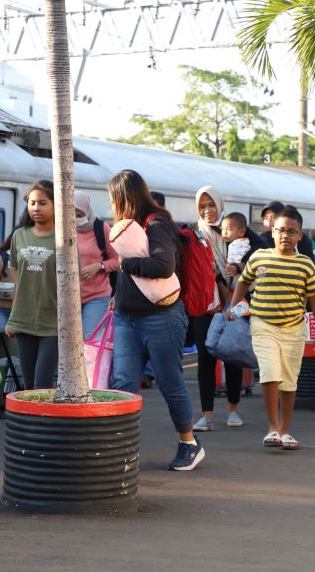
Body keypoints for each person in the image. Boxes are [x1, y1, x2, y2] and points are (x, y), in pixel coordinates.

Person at [107, 169, 204, 471]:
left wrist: (127, 264)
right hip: (127, 316)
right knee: (123, 382)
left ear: (123, 198)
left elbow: (163, 265)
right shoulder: (128, 227)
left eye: (113, 199)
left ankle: (189, 443)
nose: (112, 205)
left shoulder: (157, 223)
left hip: (161, 316)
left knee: (169, 379)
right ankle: (121, 450)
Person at [228, 206, 315, 450]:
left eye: (291, 231)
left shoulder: (305, 265)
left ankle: (286, 430)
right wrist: (233, 307)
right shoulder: (259, 257)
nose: (285, 235)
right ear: (273, 231)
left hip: (294, 328)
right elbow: (243, 282)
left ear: (299, 236)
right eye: (281, 230)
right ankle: (272, 427)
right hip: (263, 325)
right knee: (270, 372)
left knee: (288, 380)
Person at [189, 185, 242, 433]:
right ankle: (206, 415)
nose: (207, 210)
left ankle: (233, 409)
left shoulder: (234, 229)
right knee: (205, 358)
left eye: (211, 205)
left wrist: (238, 268)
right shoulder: (195, 234)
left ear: (220, 205)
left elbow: (258, 251)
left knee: (232, 355)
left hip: (233, 299)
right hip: (204, 303)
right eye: (202, 206)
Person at [6, 180, 59, 391]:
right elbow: (17, 281)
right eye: (32, 203)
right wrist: (12, 318)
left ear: (56, 206)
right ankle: (37, 423)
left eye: (43, 203)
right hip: (24, 320)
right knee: (29, 386)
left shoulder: (64, 238)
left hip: (53, 322)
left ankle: (45, 423)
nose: (36, 208)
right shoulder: (19, 236)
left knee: (42, 383)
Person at [74, 191, 120, 339]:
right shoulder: (61, 229)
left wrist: (99, 266)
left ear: (87, 211)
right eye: (72, 214)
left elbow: (118, 259)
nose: (75, 219)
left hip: (97, 297)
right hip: (66, 298)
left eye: (80, 214)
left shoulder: (101, 228)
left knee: (91, 342)